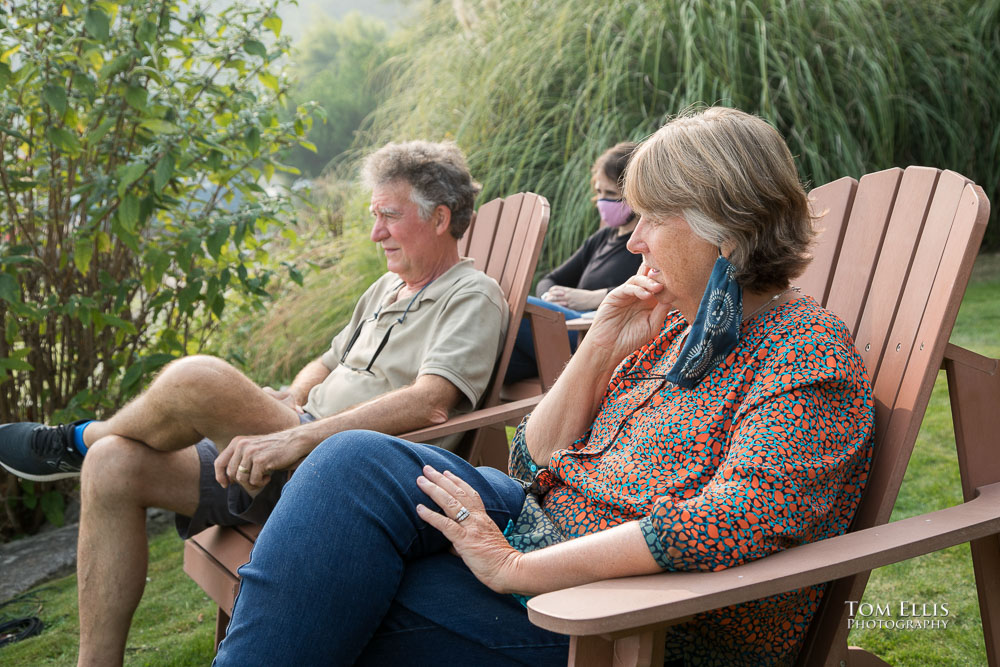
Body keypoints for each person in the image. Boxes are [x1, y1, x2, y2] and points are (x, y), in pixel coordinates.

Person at [213, 107, 875, 666]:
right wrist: (600, 349)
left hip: (634, 621)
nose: (632, 238)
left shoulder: (805, 356)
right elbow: (534, 460)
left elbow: (727, 522)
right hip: (543, 535)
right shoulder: (682, 326)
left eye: (651, 218)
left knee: (344, 590)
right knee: (352, 458)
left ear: (721, 225)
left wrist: (514, 569)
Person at [0, 140, 510, 666]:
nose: (375, 231)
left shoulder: (470, 295)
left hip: (352, 477)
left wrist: (297, 435)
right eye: (373, 215)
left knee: (199, 377)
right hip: (291, 446)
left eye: (389, 216)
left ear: (440, 217)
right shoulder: (387, 288)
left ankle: (74, 440)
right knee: (113, 467)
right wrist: (293, 395)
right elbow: (326, 362)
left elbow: (431, 404)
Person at [504, 142, 642, 383]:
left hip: (592, 335)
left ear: (634, 193)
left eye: (610, 195)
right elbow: (549, 279)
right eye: (599, 193)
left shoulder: (641, 243)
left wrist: (593, 298)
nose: (601, 202)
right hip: (564, 332)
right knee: (496, 361)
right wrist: (553, 296)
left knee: (516, 305)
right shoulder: (601, 239)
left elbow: (649, 289)